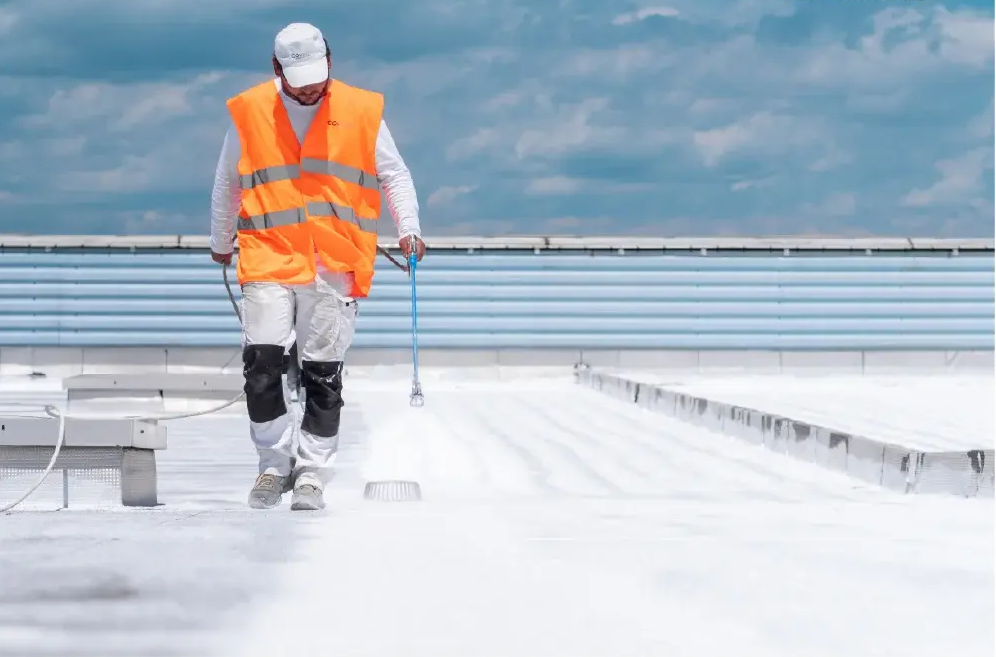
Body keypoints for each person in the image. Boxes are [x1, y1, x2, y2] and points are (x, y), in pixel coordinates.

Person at [209, 22, 426, 511]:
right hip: (269, 252)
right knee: (262, 365)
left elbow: (394, 173)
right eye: (299, 80)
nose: (309, 89)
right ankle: (272, 465)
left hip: (333, 260)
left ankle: (311, 471)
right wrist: (221, 240)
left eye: (317, 77)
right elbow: (227, 183)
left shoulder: (360, 109)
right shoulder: (248, 113)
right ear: (276, 70)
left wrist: (409, 227)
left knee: (322, 373)